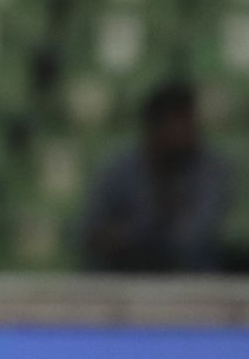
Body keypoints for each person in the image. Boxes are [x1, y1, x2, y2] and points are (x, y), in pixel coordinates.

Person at [80, 82, 235, 273]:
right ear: (152, 127)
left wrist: (131, 236)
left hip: (191, 279)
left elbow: (191, 239)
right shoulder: (119, 169)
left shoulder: (211, 172)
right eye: (171, 125)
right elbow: (91, 230)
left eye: (185, 124)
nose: (179, 134)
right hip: (124, 277)